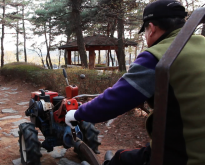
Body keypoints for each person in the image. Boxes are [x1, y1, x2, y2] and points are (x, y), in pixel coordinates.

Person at [65, 0, 205, 165]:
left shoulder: (159, 56)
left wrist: (76, 113)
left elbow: (116, 99)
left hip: (185, 156)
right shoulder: (201, 44)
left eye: (144, 32)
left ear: (151, 28)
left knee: (119, 159)